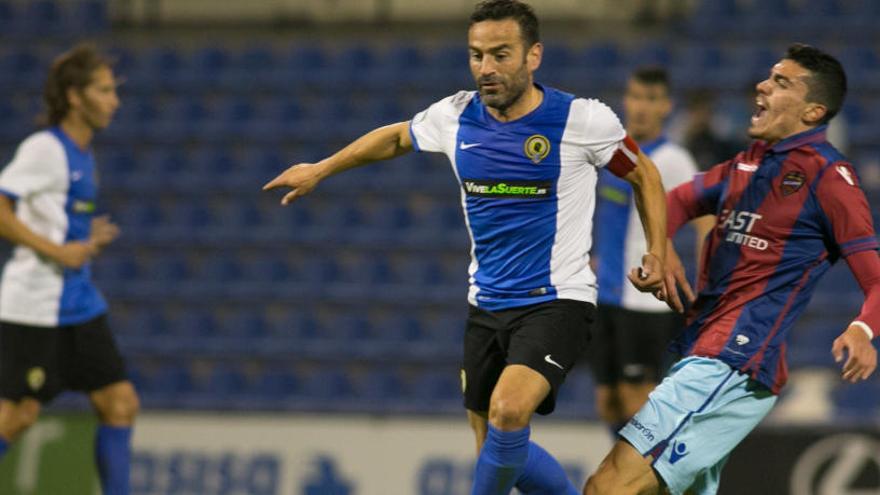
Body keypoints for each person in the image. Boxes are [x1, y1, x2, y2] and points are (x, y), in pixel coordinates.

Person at [264, 1, 668, 493]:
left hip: (556, 300)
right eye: (476, 55)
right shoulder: (454, 116)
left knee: (507, 410)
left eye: (500, 54)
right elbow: (395, 139)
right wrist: (320, 169)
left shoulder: (581, 120)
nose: (486, 69)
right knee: (497, 452)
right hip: (486, 306)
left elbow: (644, 174)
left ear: (533, 55)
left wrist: (658, 252)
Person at [584, 44, 879, 495]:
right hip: (703, 347)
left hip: (735, 358)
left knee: (608, 486)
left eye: (782, 83)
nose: (763, 85)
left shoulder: (830, 179)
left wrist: (863, 328)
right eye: (768, 76)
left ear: (813, 109)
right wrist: (661, 245)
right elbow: (675, 201)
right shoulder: (747, 162)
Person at [0, 44, 137, 495]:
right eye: (103, 90)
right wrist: (57, 251)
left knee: (119, 403)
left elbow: (57, 217)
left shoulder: (83, 154)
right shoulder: (45, 148)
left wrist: (83, 238)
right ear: (75, 97)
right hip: (36, 305)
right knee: (17, 416)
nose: (114, 100)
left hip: (78, 302)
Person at [591, 67, 713, 436]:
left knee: (636, 401)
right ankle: (626, 480)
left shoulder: (673, 160)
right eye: (635, 96)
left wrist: (706, 285)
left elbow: (706, 225)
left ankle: (646, 485)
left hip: (646, 302)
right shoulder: (614, 153)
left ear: (666, 106)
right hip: (605, 294)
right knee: (608, 401)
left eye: (651, 99)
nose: (641, 107)